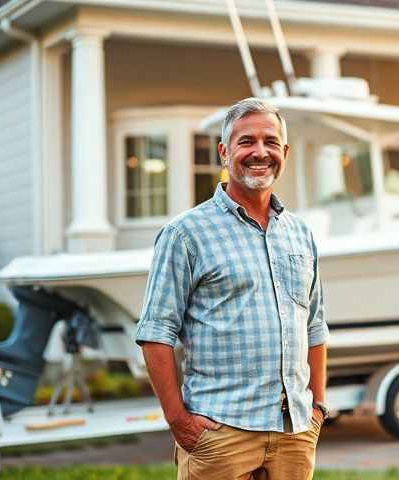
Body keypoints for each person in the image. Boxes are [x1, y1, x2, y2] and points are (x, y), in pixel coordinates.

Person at [135, 98, 329, 480]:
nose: (260, 152)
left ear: (284, 152)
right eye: (247, 142)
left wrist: (317, 408)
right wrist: (180, 422)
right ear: (224, 152)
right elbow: (156, 334)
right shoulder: (185, 234)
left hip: (294, 433)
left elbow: (315, 326)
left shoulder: (300, 234)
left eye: (271, 142)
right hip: (221, 432)